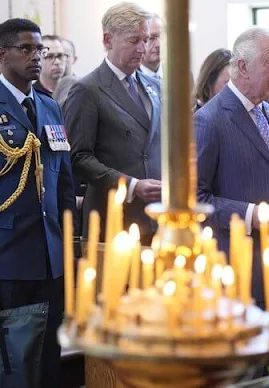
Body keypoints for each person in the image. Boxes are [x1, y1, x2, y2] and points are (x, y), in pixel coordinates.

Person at [195, 27, 269, 307]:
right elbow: (194, 199)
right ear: (243, 67)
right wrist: (248, 214)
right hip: (238, 265)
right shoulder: (209, 120)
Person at [0, 18, 75, 387]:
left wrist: (70, 245)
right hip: (8, 256)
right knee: (14, 364)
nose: (36, 57)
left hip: (50, 256)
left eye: (39, 49)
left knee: (49, 361)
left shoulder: (49, 107)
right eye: (26, 49)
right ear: (3, 54)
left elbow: (64, 182)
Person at [65, 2, 162, 244]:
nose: (143, 48)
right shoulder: (87, 89)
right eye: (134, 40)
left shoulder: (156, 86)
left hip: (156, 217)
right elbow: (79, 157)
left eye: (147, 39)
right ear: (108, 40)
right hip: (113, 218)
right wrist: (131, 186)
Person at [139, 14, 163, 80]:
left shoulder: (182, 75)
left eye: (162, 37)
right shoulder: (131, 81)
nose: (159, 44)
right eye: (151, 38)